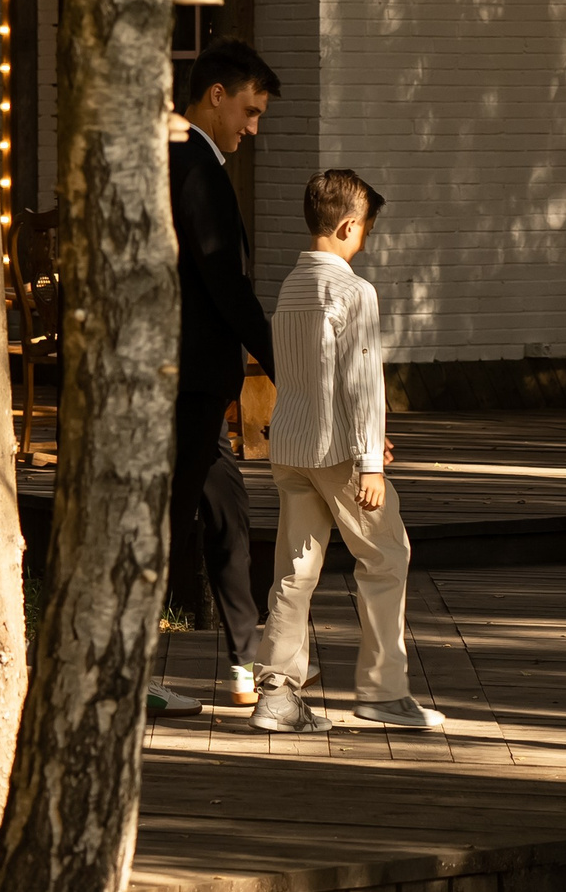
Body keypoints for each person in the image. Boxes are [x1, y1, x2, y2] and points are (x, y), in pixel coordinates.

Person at [250, 170, 443, 735]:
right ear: (347, 226)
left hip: (291, 444)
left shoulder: (291, 284)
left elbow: (310, 375)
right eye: (365, 231)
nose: (364, 241)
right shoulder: (353, 291)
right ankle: (384, 691)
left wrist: (367, 436)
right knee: (386, 556)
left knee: (295, 571)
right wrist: (371, 461)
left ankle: (276, 695)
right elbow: (361, 382)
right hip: (338, 453)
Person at [163, 37, 284, 715]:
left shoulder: (186, 160)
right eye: (249, 110)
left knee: (228, 517)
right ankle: (133, 673)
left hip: (201, 382)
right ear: (216, 96)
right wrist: (281, 362)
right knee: (169, 521)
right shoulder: (192, 164)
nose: (253, 128)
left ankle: (245, 662)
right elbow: (223, 282)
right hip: (186, 378)